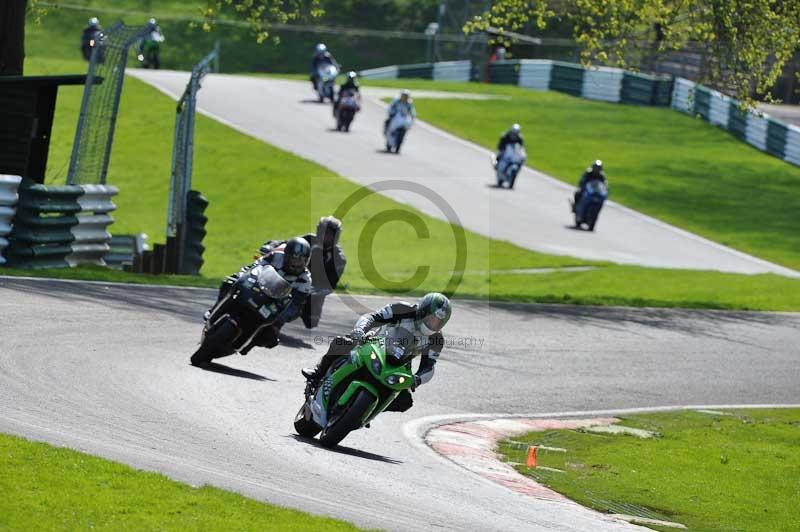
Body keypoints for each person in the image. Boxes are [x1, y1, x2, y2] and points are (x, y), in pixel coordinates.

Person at [302, 293, 452, 412]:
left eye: (437, 322)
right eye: (431, 318)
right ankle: (318, 373)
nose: (433, 323)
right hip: (375, 344)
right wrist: (360, 330)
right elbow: (373, 317)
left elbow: (429, 366)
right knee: (342, 343)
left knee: (405, 402)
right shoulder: (403, 309)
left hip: (399, 365)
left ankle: (366, 410)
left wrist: (417, 379)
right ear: (423, 310)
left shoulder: (436, 339)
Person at [206, 237, 313, 349]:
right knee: (230, 281)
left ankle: (248, 345)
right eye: (295, 258)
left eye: (302, 259)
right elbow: (254, 266)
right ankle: (213, 310)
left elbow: (296, 304)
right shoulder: (275, 256)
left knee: (270, 337)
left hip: (275, 303)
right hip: (259, 287)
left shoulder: (305, 280)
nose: (298, 263)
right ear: (287, 255)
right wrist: (242, 274)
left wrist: (281, 317)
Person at [259, 216, 347, 328]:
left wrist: (317, 290)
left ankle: (282, 319)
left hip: (311, 287)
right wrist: (271, 246)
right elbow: (287, 244)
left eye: (330, 235)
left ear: (336, 237)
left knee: (311, 321)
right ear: (319, 231)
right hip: (291, 274)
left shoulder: (339, 259)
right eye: (325, 233)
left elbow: (331, 284)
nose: (327, 237)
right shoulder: (308, 239)